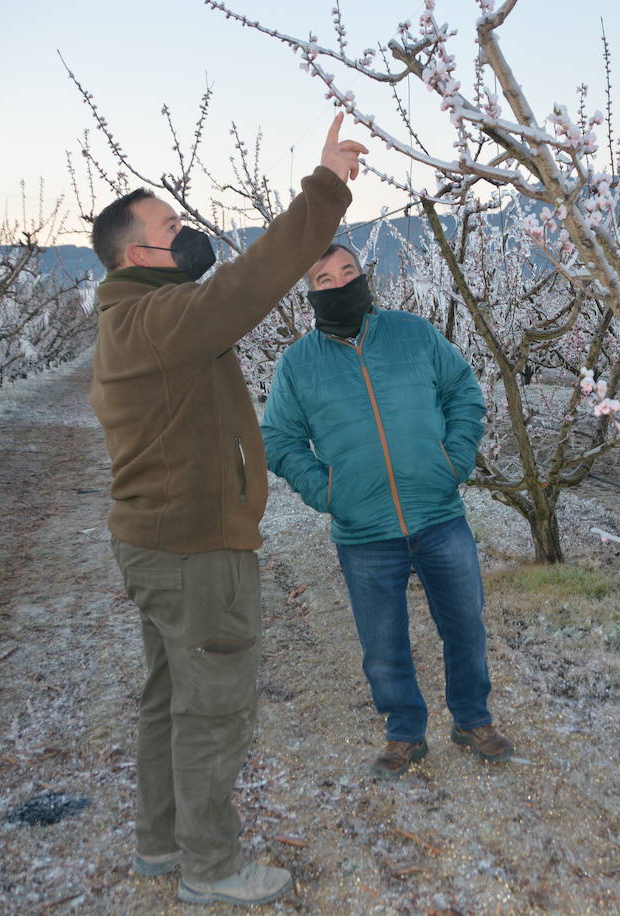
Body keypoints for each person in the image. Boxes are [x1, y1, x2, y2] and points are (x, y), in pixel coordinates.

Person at [89, 114, 365, 907]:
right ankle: (210, 866)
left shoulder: (134, 321)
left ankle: (160, 843)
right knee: (212, 709)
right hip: (193, 550)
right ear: (139, 254)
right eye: (172, 228)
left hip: (157, 543)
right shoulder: (159, 321)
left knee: (168, 699)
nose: (188, 234)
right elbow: (248, 283)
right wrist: (326, 189)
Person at [261, 243, 513, 780]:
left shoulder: (412, 333)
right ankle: (404, 732)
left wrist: (455, 457)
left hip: (439, 513)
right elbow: (278, 438)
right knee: (382, 643)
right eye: (323, 277)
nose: (338, 283)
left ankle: (472, 719)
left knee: (465, 625)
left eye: (347, 271)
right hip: (363, 530)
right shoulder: (298, 363)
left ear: (364, 276)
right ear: (310, 292)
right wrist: (327, 491)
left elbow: (462, 393)